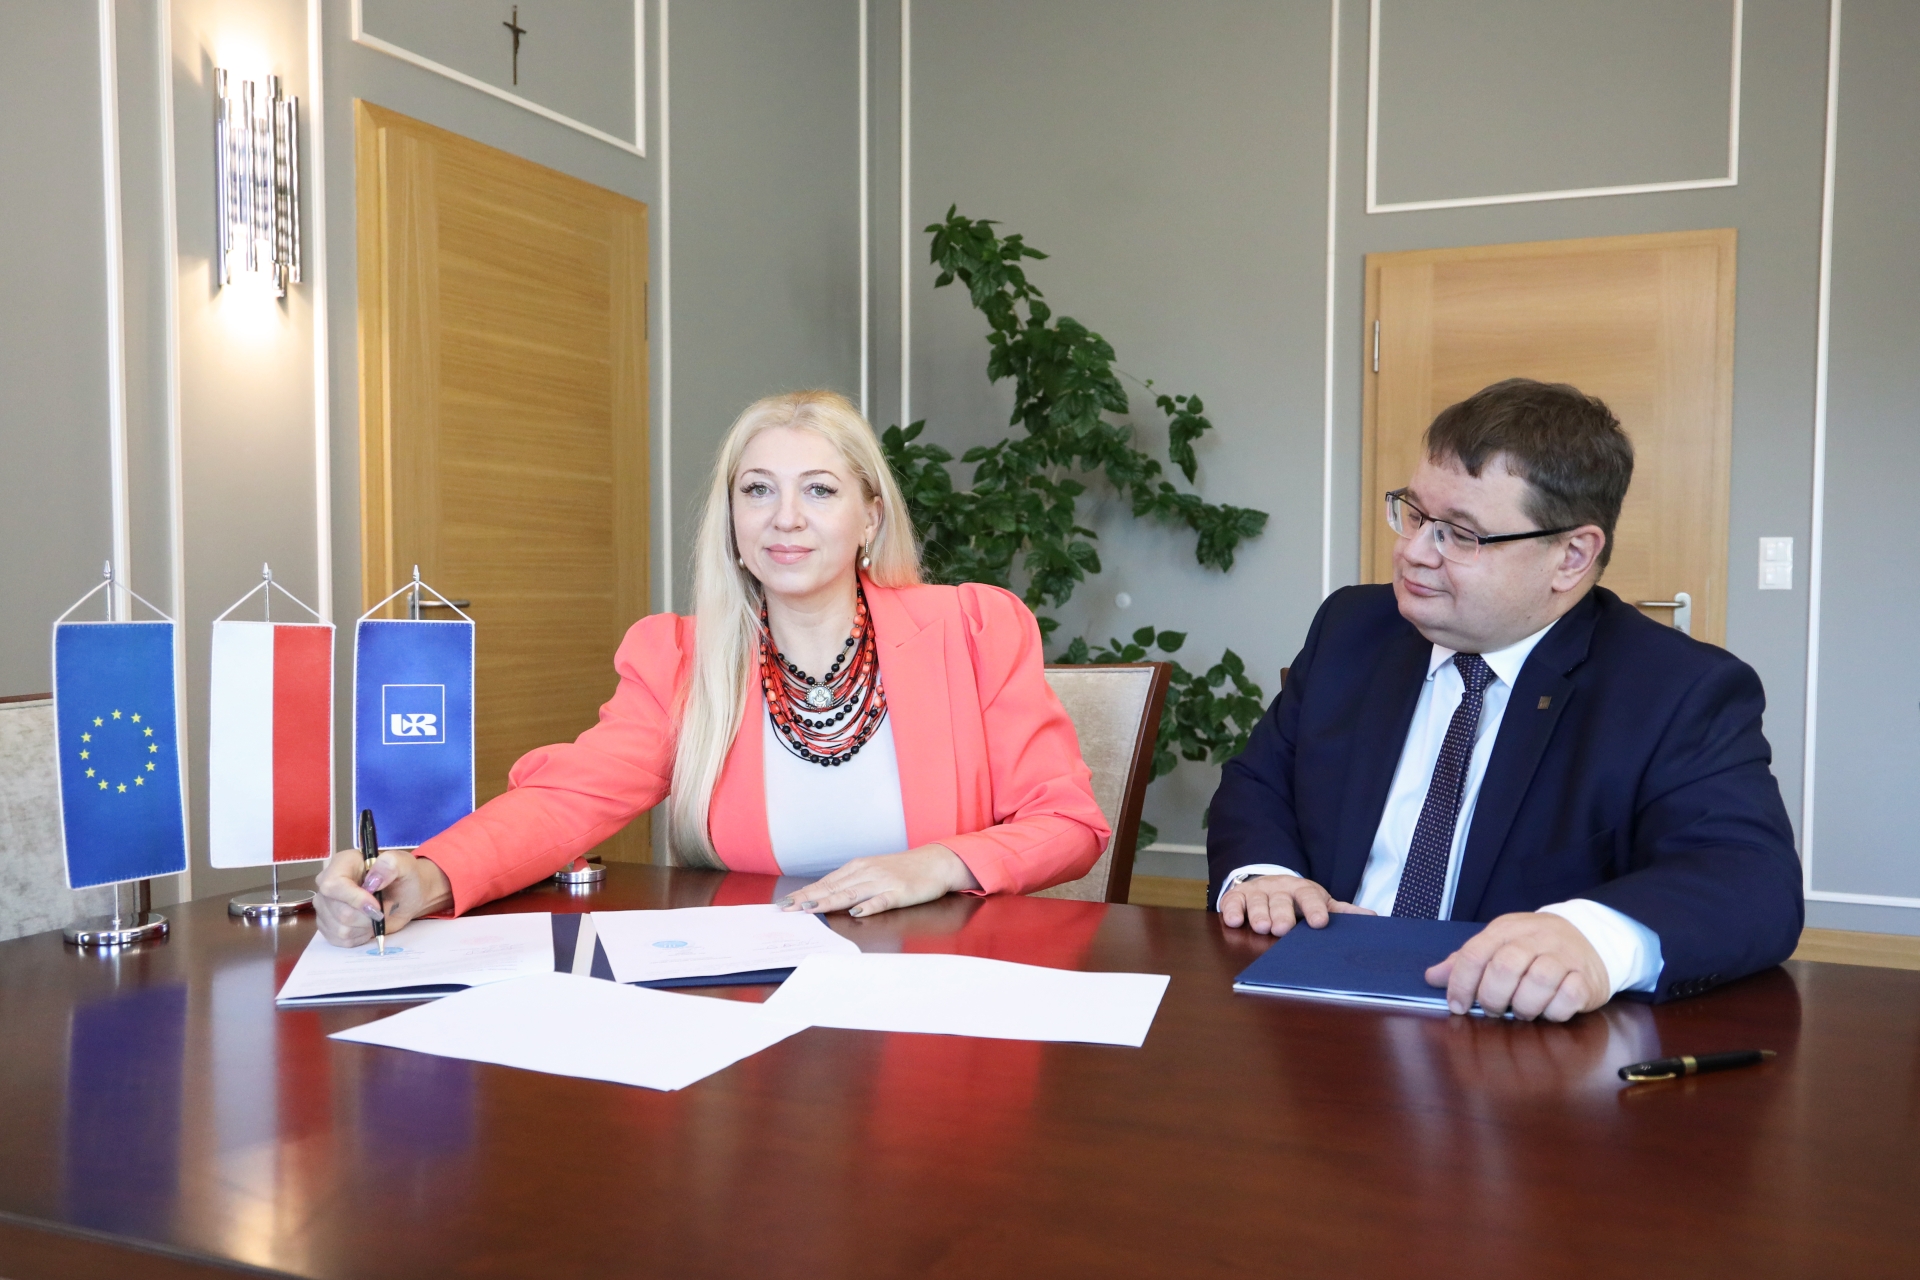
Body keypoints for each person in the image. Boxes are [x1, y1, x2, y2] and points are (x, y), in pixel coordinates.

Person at [314, 390, 1109, 946]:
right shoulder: (679, 657)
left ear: (870, 516)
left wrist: (936, 863)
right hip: (751, 989)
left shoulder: (974, 626)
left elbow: (1069, 825)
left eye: (819, 490)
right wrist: (426, 875)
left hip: (943, 986)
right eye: (757, 490)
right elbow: (566, 802)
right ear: (732, 520)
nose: (785, 518)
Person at [1208, 378, 1802, 1022]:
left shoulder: (1677, 689)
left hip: (1512, 1037)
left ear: (1571, 556)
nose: (1412, 552)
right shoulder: (1352, 628)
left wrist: (1590, 938)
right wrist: (1265, 875)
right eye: (1414, 514)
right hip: (1316, 1004)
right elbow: (1258, 782)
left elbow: (1751, 882)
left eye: (1460, 534)